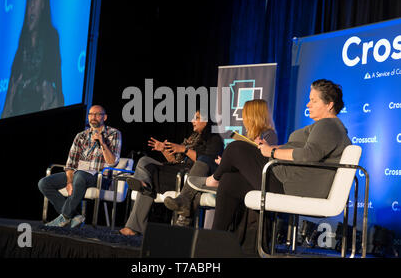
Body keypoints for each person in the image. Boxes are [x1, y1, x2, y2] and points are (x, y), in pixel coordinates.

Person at [188, 79, 351, 232]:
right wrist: (270, 148)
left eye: (314, 100)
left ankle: (213, 180)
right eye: (309, 99)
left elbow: (309, 154)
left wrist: (271, 152)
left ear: (329, 105)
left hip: (288, 185)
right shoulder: (326, 127)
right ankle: (215, 239)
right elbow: (303, 149)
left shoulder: (328, 125)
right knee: (230, 181)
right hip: (284, 178)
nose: (308, 104)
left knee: (236, 148)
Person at [164, 99, 277, 221]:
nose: (244, 119)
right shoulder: (249, 135)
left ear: (253, 116)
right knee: (201, 181)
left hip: (249, 180)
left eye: (245, 115)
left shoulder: (268, 135)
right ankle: (184, 211)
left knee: (205, 165)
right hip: (230, 174)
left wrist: (260, 147)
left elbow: (258, 163)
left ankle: (190, 201)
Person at [119, 110, 223, 236]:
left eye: (196, 118)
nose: (192, 121)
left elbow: (208, 161)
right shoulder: (192, 138)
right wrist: (163, 150)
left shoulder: (215, 139)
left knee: (149, 181)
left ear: (206, 121)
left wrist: (184, 150)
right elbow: (175, 161)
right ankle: (143, 186)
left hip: (190, 179)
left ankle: (144, 189)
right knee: (145, 161)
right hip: (176, 172)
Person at [38, 105, 122, 228]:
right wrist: (69, 181)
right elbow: (71, 163)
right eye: (91, 114)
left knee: (80, 175)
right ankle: (75, 216)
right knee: (44, 183)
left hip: (99, 178)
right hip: (78, 175)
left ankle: (65, 217)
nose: (93, 117)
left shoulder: (114, 134)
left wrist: (102, 143)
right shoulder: (81, 136)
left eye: (97, 114)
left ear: (105, 117)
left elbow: (112, 162)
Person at [2, 0, 64, 119]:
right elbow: (5, 110)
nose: (32, 3)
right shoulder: (21, 48)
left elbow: (58, 99)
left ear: (44, 1)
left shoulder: (52, 39)